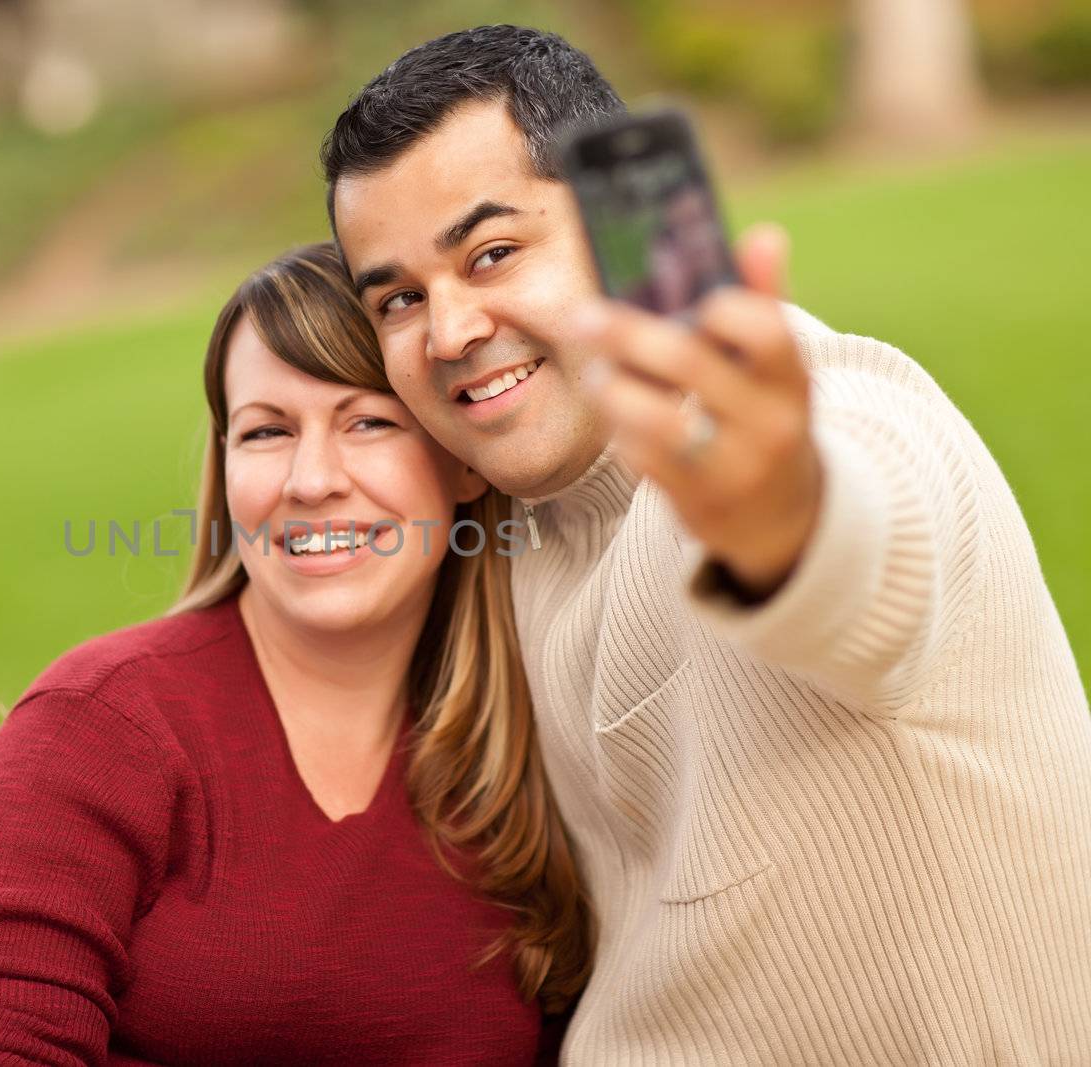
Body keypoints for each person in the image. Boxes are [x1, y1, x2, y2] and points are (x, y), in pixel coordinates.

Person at [321, 23, 1091, 1063]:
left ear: (619, 229)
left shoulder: (834, 405)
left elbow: (869, 542)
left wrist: (780, 516)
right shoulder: (502, 534)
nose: (448, 330)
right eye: (400, 298)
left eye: (492, 254)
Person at [0, 243, 591, 1066]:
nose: (311, 479)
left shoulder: (531, 755)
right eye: (266, 431)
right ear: (225, 468)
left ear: (464, 460)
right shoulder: (100, 725)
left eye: (367, 422)